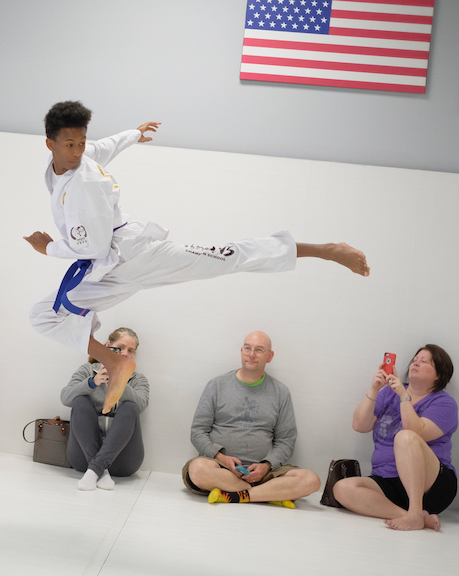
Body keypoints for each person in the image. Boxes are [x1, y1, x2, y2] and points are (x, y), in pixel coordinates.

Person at [25, 101, 370, 415]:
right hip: (109, 270)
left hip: (131, 256)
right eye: (70, 144)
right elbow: (102, 148)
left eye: (81, 143)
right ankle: (114, 363)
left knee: (226, 257)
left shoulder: (87, 186)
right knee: (43, 315)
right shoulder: (72, 164)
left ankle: (324, 250)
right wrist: (133, 134)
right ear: (50, 144)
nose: (78, 151)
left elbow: (95, 247)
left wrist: (50, 248)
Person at [182, 331, 320, 508]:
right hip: (221, 470)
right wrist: (220, 457)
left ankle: (235, 495)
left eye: (259, 350)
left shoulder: (281, 392)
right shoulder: (216, 385)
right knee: (197, 469)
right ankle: (268, 494)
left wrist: (267, 465)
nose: (251, 354)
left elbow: (286, 440)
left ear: (270, 356)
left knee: (311, 480)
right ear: (241, 351)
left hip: (266, 474)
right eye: (247, 348)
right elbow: (198, 431)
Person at [333, 345, 458, 531]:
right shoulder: (388, 392)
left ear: (439, 374)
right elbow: (360, 425)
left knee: (405, 437)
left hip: (432, 486)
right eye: (415, 360)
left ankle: (415, 511)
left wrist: (403, 395)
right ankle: (414, 516)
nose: (416, 363)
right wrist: (374, 389)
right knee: (342, 488)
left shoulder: (445, 403)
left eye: (424, 361)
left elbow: (416, 431)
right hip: (388, 481)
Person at [60, 327, 149, 491]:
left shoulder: (139, 380)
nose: (125, 353)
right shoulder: (87, 370)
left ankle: (95, 470)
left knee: (131, 406)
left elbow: (141, 405)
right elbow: (65, 398)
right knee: (80, 400)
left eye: (130, 350)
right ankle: (99, 470)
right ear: (108, 346)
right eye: (120, 347)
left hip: (123, 461)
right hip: (83, 457)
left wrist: (119, 379)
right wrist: (92, 382)